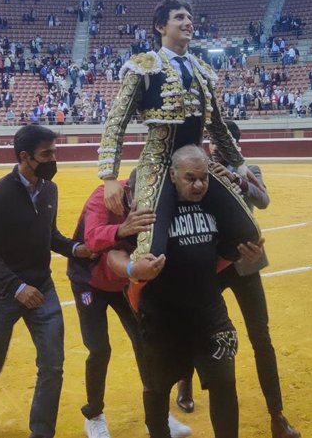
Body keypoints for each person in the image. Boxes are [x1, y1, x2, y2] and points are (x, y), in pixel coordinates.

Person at [107, 145, 259, 438]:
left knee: (225, 385)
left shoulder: (214, 205)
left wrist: (244, 255)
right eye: (190, 178)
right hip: (162, 316)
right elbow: (115, 254)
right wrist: (130, 270)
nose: (199, 184)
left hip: (210, 314)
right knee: (157, 389)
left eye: (203, 178)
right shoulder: (148, 208)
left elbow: (226, 252)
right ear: (173, 176)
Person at [0, 125, 93, 438]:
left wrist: (75, 248)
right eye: (47, 154)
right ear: (25, 157)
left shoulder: (49, 190)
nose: (54, 159)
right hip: (2, 293)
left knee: (53, 365)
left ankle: (41, 433)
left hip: (42, 288)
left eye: (54, 152)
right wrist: (17, 287)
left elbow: (50, 236)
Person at [97, 0, 260, 262]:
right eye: (180, 18)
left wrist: (240, 165)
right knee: (150, 252)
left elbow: (216, 125)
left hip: (198, 165)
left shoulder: (203, 71)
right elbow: (116, 121)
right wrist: (109, 177)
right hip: (158, 165)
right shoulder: (144, 66)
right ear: (161, 26)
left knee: (249, 233)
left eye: (189, 18)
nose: (188, 23)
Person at [175, 121, 301, 438]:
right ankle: (185, 385)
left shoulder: (247, 168)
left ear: (233, 143)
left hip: (245, 262)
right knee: (193, 327)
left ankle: (277, 416)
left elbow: (263, 201)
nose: (215, 145)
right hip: (212, 262)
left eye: (221, 140)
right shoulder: (199, 170)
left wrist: (237, 181)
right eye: (213, 140)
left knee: (261, 337)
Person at [67, 173, 191, 438]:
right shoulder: (103, 197)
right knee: (99, 349)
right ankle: (94, 415)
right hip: (89, 281)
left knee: (147, 343)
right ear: (129, 193)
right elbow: (91, 239)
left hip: (126, 281)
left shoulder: (159, 202)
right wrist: (123, 229)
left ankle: (156, 415)